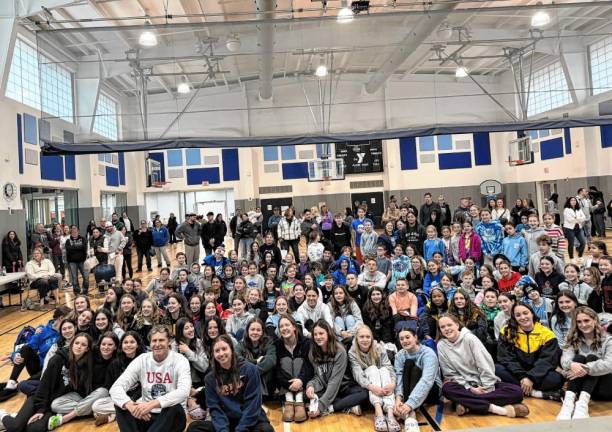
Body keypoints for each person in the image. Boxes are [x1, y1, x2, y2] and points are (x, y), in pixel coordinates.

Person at [437, 314, 529, 418]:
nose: (447, 329)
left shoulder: (469, 338)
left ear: (457, 325)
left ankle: (468, 404)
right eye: (443, 327)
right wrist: (470, 388)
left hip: (484, 383)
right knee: (447, 388)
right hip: (465, 386)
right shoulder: (441, 346)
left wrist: (487, 388)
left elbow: (485, 365)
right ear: (440, 330)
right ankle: (499, 410)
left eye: (449, 325)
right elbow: (450, 374)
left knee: (517, 392)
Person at [0, 333, 95, 432]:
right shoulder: (57, 359)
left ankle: (18, 417)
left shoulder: (85, 366)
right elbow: (44, 385)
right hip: (39, 399)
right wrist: (40, 409)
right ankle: (3, 415)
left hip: (53, 405)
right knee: (16, 427)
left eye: (83, 345)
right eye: (77, 343)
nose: (79, 346)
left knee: (34, 429)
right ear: (72, 344)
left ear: (87, 349)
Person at [110, 325, 191, 432]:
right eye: (154, 341)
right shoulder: (142, 359)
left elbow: (184, 391)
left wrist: (152, 404)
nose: (157, 344)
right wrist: (131, 406)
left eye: (161, 340)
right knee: (121, 404)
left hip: (169, 416)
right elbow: (115, 388)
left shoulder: (180, 360)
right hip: (146, 415)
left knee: (174, 407)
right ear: (150, 343)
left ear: (169, 342)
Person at [187, 335, 275, 432]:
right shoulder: (210, 379)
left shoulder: (250, 370)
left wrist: (241, 429)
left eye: (224, 349)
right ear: (213, 354)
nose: (221, 353)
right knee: (194, 427)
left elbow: (253, 405)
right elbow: (215, 409)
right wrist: (223, 430)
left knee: (266, 430)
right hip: (226, 422)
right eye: (217, 351)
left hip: (249, 421)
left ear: (232, 350)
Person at [46, 332, 118, 430]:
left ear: (115, 347)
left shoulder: (116, 362)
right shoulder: (91, 354)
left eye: (110, 344)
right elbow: (73, 351)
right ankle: (94, 411)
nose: (106, 347)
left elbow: (110, 389)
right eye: (103, 344)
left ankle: (65, 418)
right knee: (55, 405)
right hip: (84, 395)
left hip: (102, 396)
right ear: (99, 345)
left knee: (102, 390)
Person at [496, 303, 564, 399]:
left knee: (556, 379)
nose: (523, 317)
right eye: (518, 315)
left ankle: (520, 389)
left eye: (525, 313)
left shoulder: (547, 334)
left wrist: (531, 378)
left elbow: (547, 360)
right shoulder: (506, 331)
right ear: (514, 317)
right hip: (517, 373)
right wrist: (523, 377)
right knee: (497, 369)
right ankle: (536, 393)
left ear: (532, 313)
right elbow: (505, 358)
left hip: (538, 374)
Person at [557, 306, 612, 420]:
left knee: (592, 357)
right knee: (578, 358)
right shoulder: (573, 338)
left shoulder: (608, 340)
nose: (583, 324)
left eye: (586, 320)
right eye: (579, 322)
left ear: (595, 320)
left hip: (604, 388)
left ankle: (581, 404)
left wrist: (586, 368)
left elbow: (609, 364)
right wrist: (572, 365)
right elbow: (565, 359)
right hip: (582, 386)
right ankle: (569, 404)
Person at [306, 320, 368, 418]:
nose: (318, 337)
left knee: (364, 393)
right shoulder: (312, 352)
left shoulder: (340, 351)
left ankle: (331, 408)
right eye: (315, 334)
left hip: (343, 387)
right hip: (327, 388)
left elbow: (334, 381)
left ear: (328, 333)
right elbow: (318, 375)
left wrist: (321, 407)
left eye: (321, 333)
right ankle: (346, 406)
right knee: (306, 393)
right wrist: (311, 385)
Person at [5, 306, 72, 391]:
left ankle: (34, 383)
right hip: (39, 368)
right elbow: (28, 346)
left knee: (26, 384)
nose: (71, 321)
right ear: (61, 318)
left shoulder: (68, 331)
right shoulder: (42, 330)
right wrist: (15, 355)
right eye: (69, 318)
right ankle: (12, 382)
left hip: (53, 368)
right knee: (26, 349)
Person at [349, 325, 401, 432]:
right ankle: (379, 412)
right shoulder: (352, 352)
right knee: (373, 368)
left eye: (368, 337)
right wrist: (371, 387)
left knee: (384, 370)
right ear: (356, 339)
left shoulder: (378, 347)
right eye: (361, 337)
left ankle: (390, 413)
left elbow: (388, 366)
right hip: (366, 383)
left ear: (372, 338)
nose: (365, 340)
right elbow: (358, 375)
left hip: (383, 379)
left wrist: (393, 383)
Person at [393, 327, 441, 432]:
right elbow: (399, 377)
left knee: (415, 369)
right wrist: (398, 398)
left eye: (407, 337)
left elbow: (427, 380)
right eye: (401, 339)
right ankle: (409, 413)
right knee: (408, 363)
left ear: (415, 337)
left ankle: (409, 415)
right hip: (410, 394)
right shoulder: (399, 355)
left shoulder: (428, 353)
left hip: (432, 391)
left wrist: (410, 404)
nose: (404, 341)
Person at [274, 314, 312, 423]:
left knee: (298, 361)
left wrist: (300, 380)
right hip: (286, 387)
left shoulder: (306, 343)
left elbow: (309, 366)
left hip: (302, 385)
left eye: (287, 325)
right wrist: (288, 384)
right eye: (281, 326)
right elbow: (277, 371)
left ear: (294, 327)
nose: (284, 328)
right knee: (285, 360)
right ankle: (289, 400)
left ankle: (299, 400)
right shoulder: (277, 345)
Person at [236, 318, 277, 397]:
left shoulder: (268, 342)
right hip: (246, 383)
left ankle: (258, 397)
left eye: (258, 330)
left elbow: (271, 360)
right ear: (247, 331)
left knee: (268, 368)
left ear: (262, 332)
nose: (255, 332)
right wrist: (255, 361)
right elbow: (237, 360)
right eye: (252, 329)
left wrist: (252, 372)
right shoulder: (241, 344)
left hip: (266, 384)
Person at [63, 226, 88, 295]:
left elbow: (84, 247)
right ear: (71, 233)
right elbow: (69, 250)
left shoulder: (83, 239)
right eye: (72, 232)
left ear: (78, 232)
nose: (74, 233)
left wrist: (74, 247)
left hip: (82, 261)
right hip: (72, 262)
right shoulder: (68, 241)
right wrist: (78, 248)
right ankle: (77, 292)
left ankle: (85, 291)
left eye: (75, 232)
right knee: (74, 278)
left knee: (86, 277)